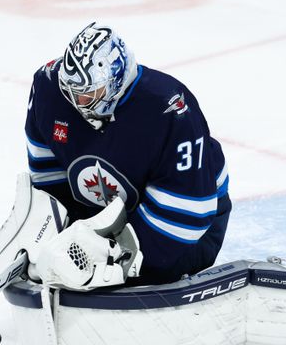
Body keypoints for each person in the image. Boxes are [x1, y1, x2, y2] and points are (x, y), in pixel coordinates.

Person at [21, 22, 231, 286]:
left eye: (89, 93)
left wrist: (117, 259)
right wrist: (53, 232)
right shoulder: (49, 88)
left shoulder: (170, 109)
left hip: (191, 224)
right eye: (72, 92)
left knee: (150, 273)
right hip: (103, 215)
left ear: (115, 79)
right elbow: (47, 175)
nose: (78, 103)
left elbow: (189, 214)